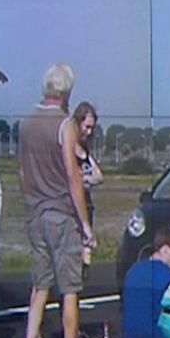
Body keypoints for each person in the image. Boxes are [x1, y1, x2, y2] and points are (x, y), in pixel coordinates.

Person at [17, 63, 98, 338]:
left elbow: (22, 172)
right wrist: (86, 225)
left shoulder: (26, 124)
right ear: (67, 92)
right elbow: (73, 177)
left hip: (35, 213)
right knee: (70, 290)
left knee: (40, 287)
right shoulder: (64, 126)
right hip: (61, 216)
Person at [71, 101, 102, 279]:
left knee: (86, 253)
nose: (89, 132)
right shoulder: (68, 149)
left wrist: (86, 179)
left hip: (87, 206)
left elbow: (98, 176)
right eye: (87, 127)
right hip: (72, 210)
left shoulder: (85, 151)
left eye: (92, 128)